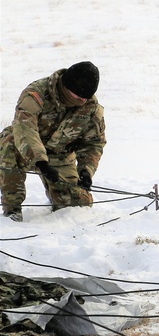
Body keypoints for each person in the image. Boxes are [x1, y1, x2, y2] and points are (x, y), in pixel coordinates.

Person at [0, 62, 105, 222]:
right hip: (24, 149)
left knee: (77, 205)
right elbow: (24, 128)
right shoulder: (36, 94)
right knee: (8, 141)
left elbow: (94, 143)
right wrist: (40, 161)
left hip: (60, 155)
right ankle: (12, 211)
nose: (82, 100)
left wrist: (86, 170)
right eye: (78, 96)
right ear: (66, 87)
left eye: (86, 97)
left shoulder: (91, 108)